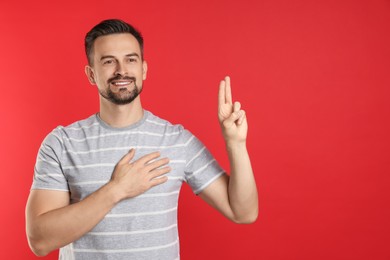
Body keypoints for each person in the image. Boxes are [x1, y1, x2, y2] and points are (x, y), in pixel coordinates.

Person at [25, 19, 258, 259]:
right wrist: (117, 190)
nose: (121, 70)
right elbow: (39, 241)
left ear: (144, 69)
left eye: (130, 59)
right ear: (91, 73)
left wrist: (236, 144)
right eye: (108, 61)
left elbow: (243, 212)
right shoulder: (62, 143)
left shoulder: (177, 140)